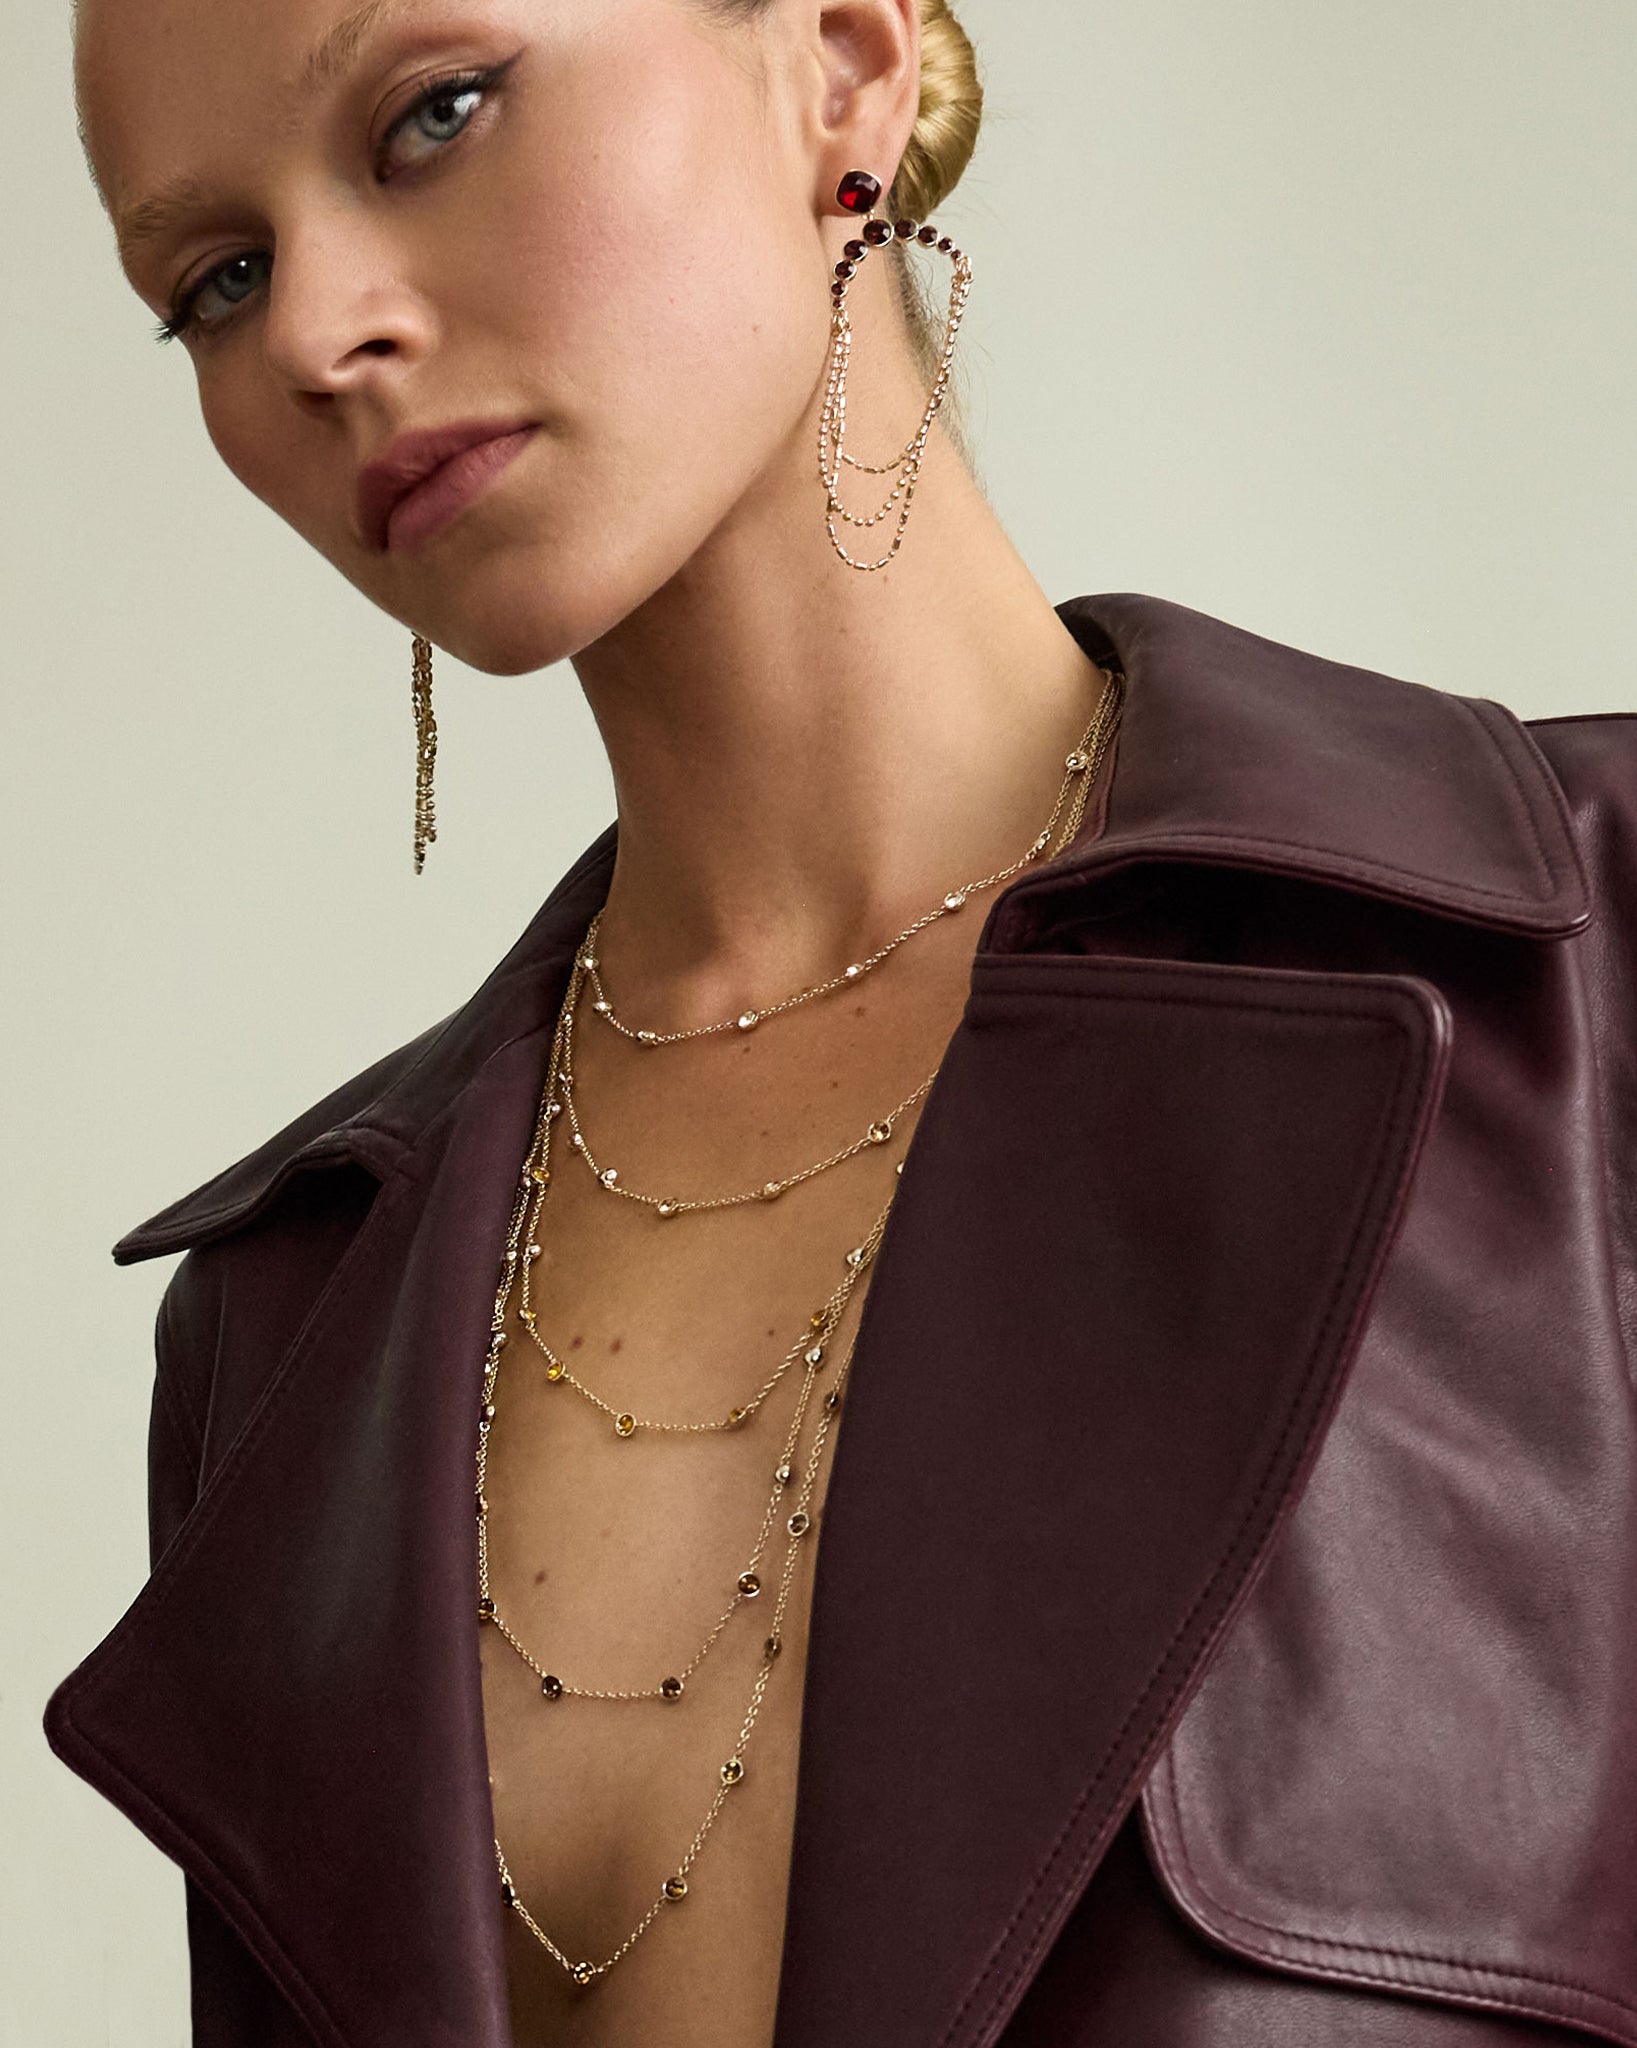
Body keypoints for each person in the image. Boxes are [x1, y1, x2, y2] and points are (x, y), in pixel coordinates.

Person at [44, 0, 1637, 2044]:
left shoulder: (1576, 987)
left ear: (845, 60)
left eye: (435, 114)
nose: (315, 334)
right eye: (217, 278)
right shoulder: (283, 1331)